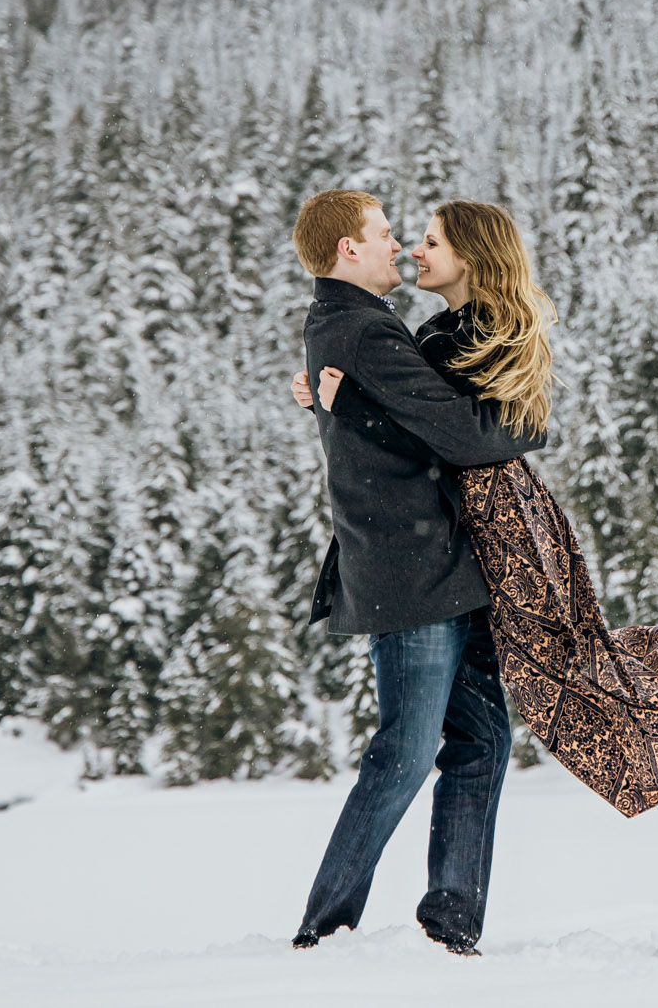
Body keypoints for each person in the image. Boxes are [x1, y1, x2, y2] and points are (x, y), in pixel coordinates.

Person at [295, 200, 658, 821]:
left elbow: (494, 431)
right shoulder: (437, 331)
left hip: (505, 517)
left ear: (472, 259)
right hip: (479, 521)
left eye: (430, 243)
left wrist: (356, 404)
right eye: (412, 240)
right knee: (554, 662)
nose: (414, 251)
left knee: (557, 661)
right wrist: (340, 398)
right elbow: (424, 418)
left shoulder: (493, 331)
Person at [288, 189, 545, 958]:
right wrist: (528, 425)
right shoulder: (366, 329)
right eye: (386, 234)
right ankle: (324, 927)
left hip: (437, 568)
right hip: (412, 574)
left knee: (481, 740)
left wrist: (341, 410)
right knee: (405, 748)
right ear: (346, 250)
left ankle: (451, 921)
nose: (398, 246)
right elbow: (462, 435)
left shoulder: (356, 326)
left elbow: (394, 427)